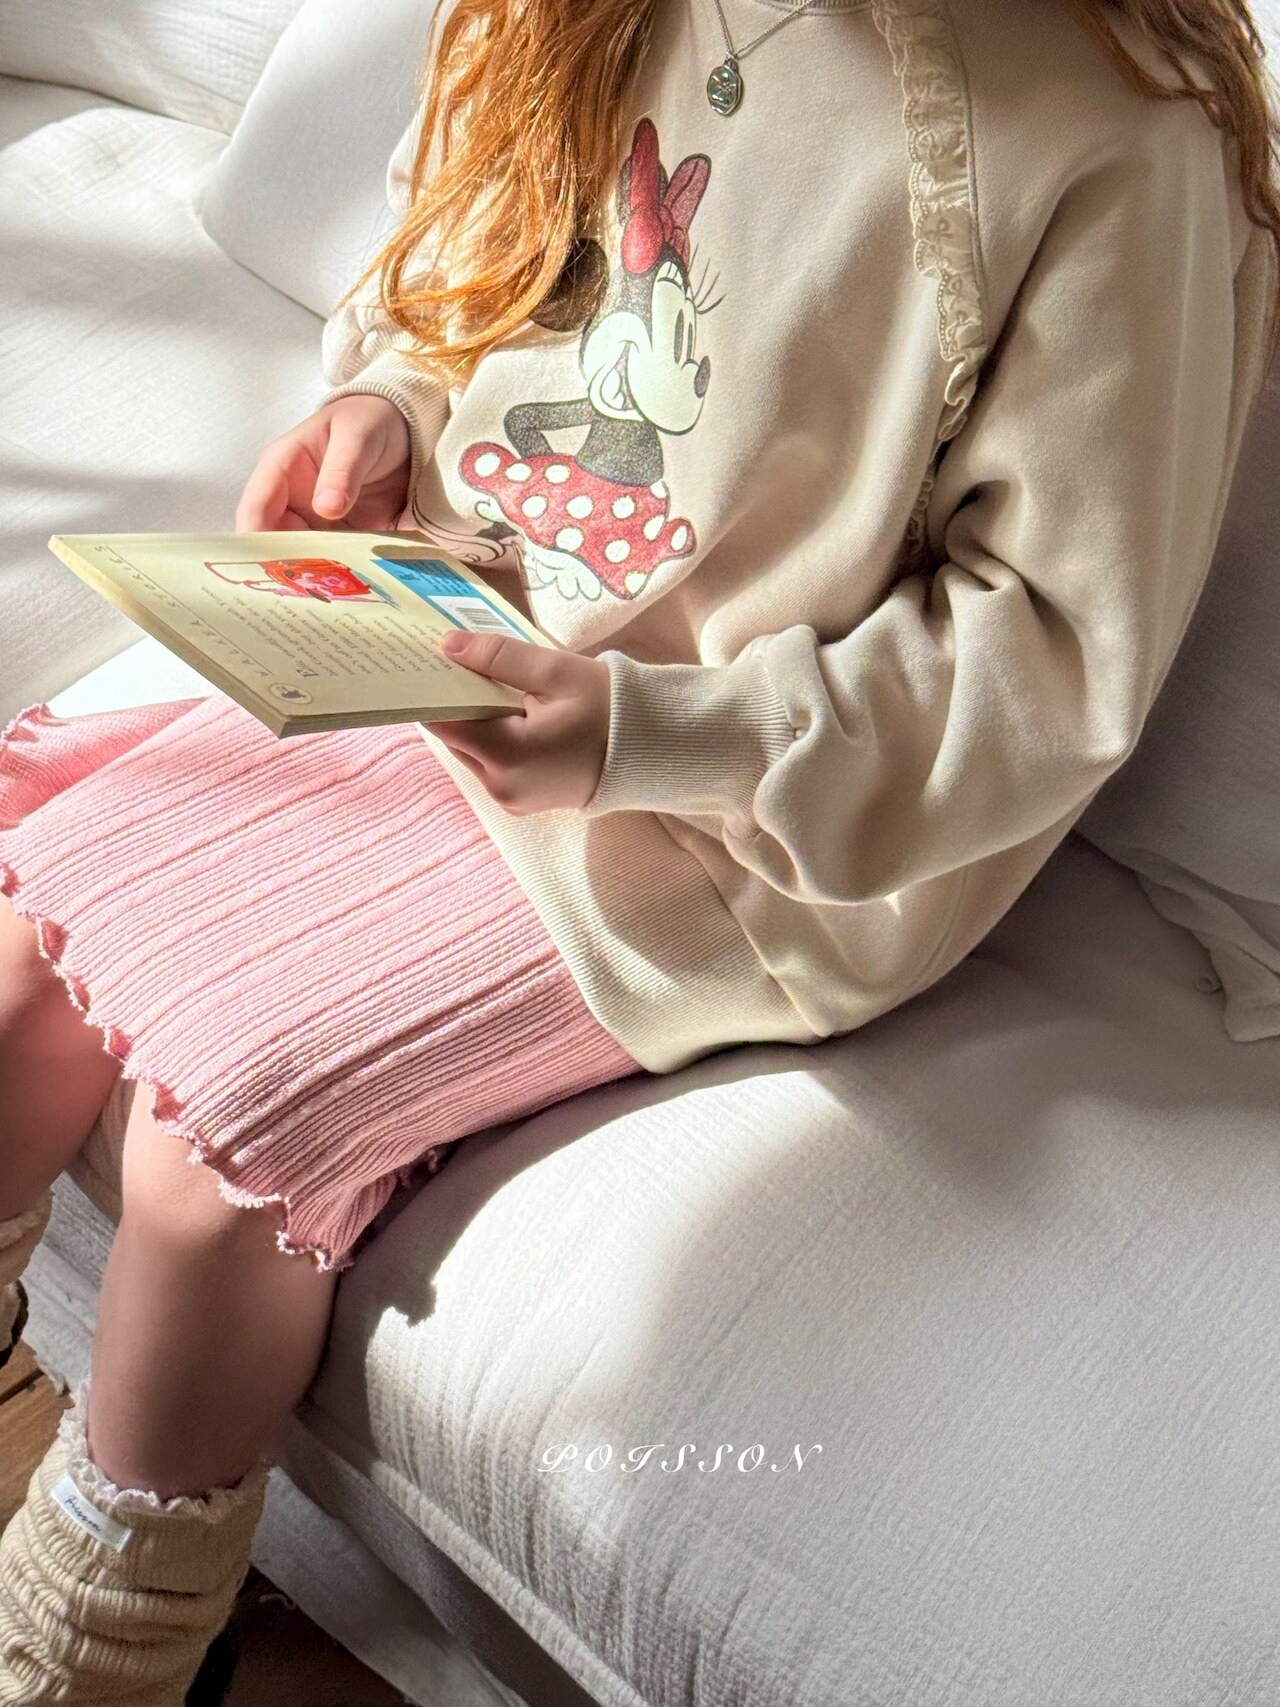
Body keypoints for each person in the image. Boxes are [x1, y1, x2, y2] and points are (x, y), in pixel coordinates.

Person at [1, 0, 1278, 1696]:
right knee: (20, 945)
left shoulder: (1125, 133)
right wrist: (392, 401)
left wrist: (639, 736)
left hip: (753, 815)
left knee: (209, 1147)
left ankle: (101, 1657)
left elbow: (1041, 667)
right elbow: (475, 237)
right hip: (467, 628)